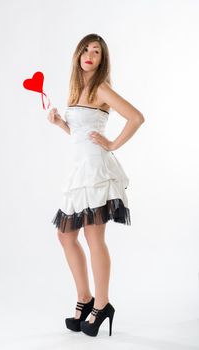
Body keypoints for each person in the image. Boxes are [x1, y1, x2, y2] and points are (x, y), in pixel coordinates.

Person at [47, 33, 145, 337]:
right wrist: (60, 124)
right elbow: (81, 135)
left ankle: (102, 305)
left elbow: (136, 117)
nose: (90, 54)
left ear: (102, 60)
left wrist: (113, 143)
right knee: (65, 236)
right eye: (86, 49)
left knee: (93, 238)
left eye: (97, 52)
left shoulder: (102, 88)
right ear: (78, 54)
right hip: (79, 172)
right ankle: (85, 298)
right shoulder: (77, 90)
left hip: (96, 172)